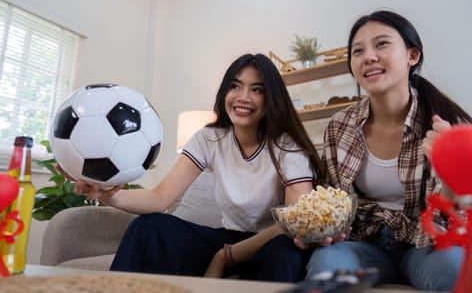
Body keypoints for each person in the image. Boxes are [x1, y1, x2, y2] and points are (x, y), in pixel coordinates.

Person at [68, 53, 325, 282]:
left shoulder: (288, 147)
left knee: (285, 253)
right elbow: (159, 198)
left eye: (257, 89)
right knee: (149, 227)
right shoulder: (209, 138)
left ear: (271, 99)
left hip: (269, 243)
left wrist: (224, 258)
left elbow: (292, 223)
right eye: (235, 86)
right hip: (227, 237)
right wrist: (107, 194)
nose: (243, 97)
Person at [304, 10, 472, 291]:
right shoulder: (339, 127)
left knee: (454, 268)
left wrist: (454, 170)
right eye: (358, 51)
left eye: (381, 44)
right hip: (365, 248)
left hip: (428, 245)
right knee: (326, 262)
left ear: (412, 56)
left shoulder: (448, 126)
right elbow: (332, 204)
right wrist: (319, 232)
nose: (369, 56)